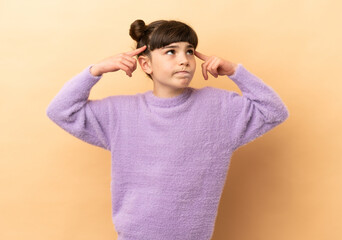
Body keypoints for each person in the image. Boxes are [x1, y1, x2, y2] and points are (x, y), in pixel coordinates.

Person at [46, 19, 289, 240]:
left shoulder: (219, 108)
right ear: (145, 64)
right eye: (170, 52)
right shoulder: (120, 113)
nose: (184, 60)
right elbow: (61, 110)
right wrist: (95, 71)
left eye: (190, 51)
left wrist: (236, 72)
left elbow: (274, 111)